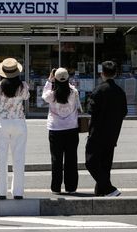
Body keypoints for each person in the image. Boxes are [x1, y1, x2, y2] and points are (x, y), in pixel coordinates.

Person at [0, 57, 30, 199]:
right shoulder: (23, 85)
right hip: (19, 122)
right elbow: (27, 97)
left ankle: (1, 192)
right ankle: (17, 192)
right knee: (18, 158)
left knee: (1, 158)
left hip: (2, 122)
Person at [86, 60, 127, 197]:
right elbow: (124, 111)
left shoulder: (98, 90)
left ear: (102, 73)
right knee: (105, 164)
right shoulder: (120, 91)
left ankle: (109, 189)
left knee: (91, 162)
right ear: (115, 74)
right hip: (113, 133)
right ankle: (101, 191)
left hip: (97, 132)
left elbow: (90, 110)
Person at [42, 67, 81, 194]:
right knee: (71, 158)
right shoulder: (73, 92)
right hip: (71, 128)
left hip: (55, 129)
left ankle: (56, 187)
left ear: (55, 79)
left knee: (56, 159)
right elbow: (69, 87)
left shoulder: (51, 94)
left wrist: (50, 80)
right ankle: (71, 187)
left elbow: (44, 95)